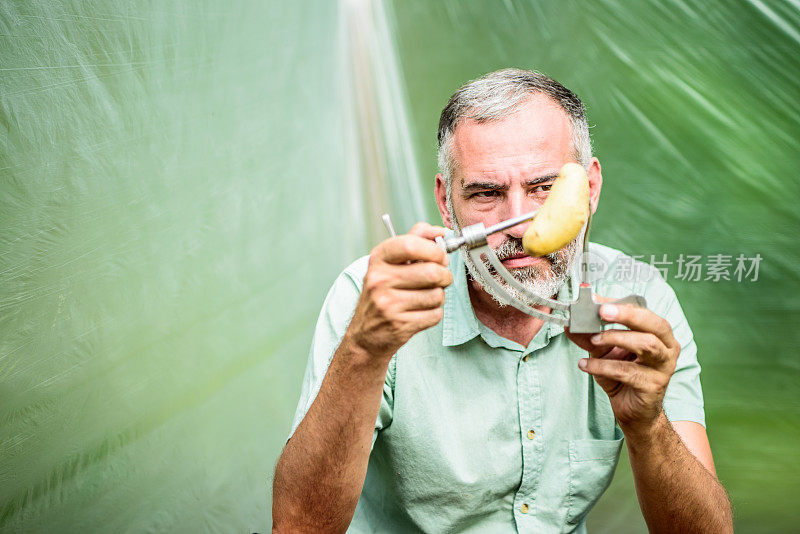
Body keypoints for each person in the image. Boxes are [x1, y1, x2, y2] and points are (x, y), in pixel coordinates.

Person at [272, 68, 733, 533]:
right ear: (446, 203)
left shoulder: (638, 298)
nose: (517, 225)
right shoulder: (373, 299)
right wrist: (362, 351)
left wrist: (649, 427)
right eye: (487, 193)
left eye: (543, 189)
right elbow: (296, 527)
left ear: (589, 189)